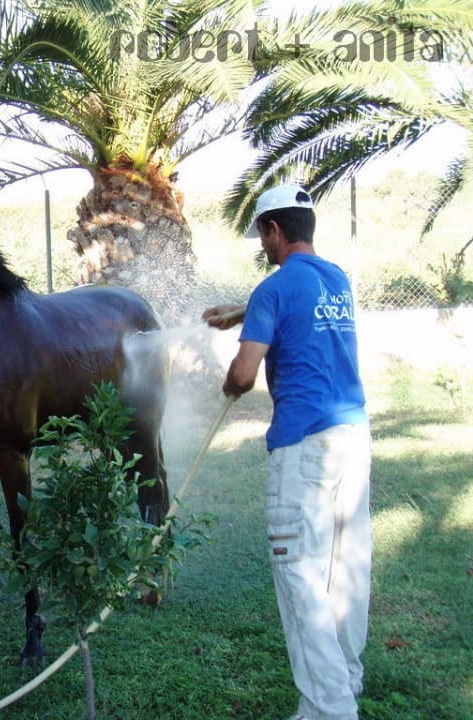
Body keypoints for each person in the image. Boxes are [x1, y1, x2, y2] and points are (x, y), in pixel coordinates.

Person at [203, 185, 372, 720]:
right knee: (344, 570)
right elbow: (292, 302)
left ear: (274, 230)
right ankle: (345, 681)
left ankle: (330, 708)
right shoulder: (336, 279)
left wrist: (228, 386)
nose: (263, 246)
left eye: (262, 236)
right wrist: (241, 311)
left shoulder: (275, 290)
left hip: (304, 449)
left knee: (300, 576)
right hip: (352, 438)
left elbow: (243, 375)